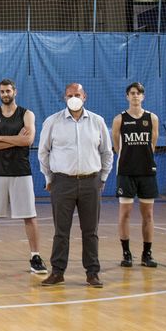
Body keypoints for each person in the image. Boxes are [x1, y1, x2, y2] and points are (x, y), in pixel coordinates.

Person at [37, 83, 112, 289]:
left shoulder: (97, 121)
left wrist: (102, 178)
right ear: (64, 98)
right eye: (70, 95)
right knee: (61, 231)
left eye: (77, 94)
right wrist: (49, 178)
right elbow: (43, 152)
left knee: (91, 231)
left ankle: (92, 273)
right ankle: (57, 272)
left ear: (84, 96)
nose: (73, 97)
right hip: (62, 182)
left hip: (91, 182)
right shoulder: (52, 122)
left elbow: (107, 152)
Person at [0, 78, 46, 275]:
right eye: (2, 91)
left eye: (8, 91)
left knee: (29, 216)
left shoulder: (27, 114)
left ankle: (35, 257)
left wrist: (1, 138)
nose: (5, 94)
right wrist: (17, 140)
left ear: (15, 91)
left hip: (21, 171)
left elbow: (28, 140)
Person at [111, 82, 160, 269]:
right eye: (132, 93)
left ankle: (147, 254)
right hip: (126, 172)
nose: (135, 96)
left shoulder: (152, 118)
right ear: (127, 96)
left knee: (148, 215)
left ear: (143, 96)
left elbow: (152, 144)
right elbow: (117, 145)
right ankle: (126, 253)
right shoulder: (119, 119)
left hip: (147, 172)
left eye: (139, 93)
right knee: (125, 214)